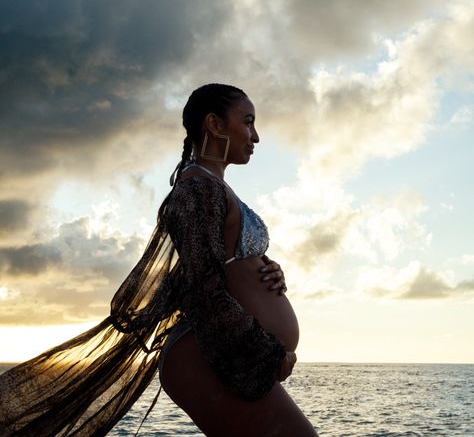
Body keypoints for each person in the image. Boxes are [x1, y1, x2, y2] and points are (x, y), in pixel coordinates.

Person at [0, 83, 317, 437]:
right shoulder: (197, 187)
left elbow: (223, 261)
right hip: (210, 354)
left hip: (224, 352)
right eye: (247, 121)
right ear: (214, 124)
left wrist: (266, 268)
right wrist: (267, 354)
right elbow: (202, 287)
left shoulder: (212, 186)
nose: (255, 135)